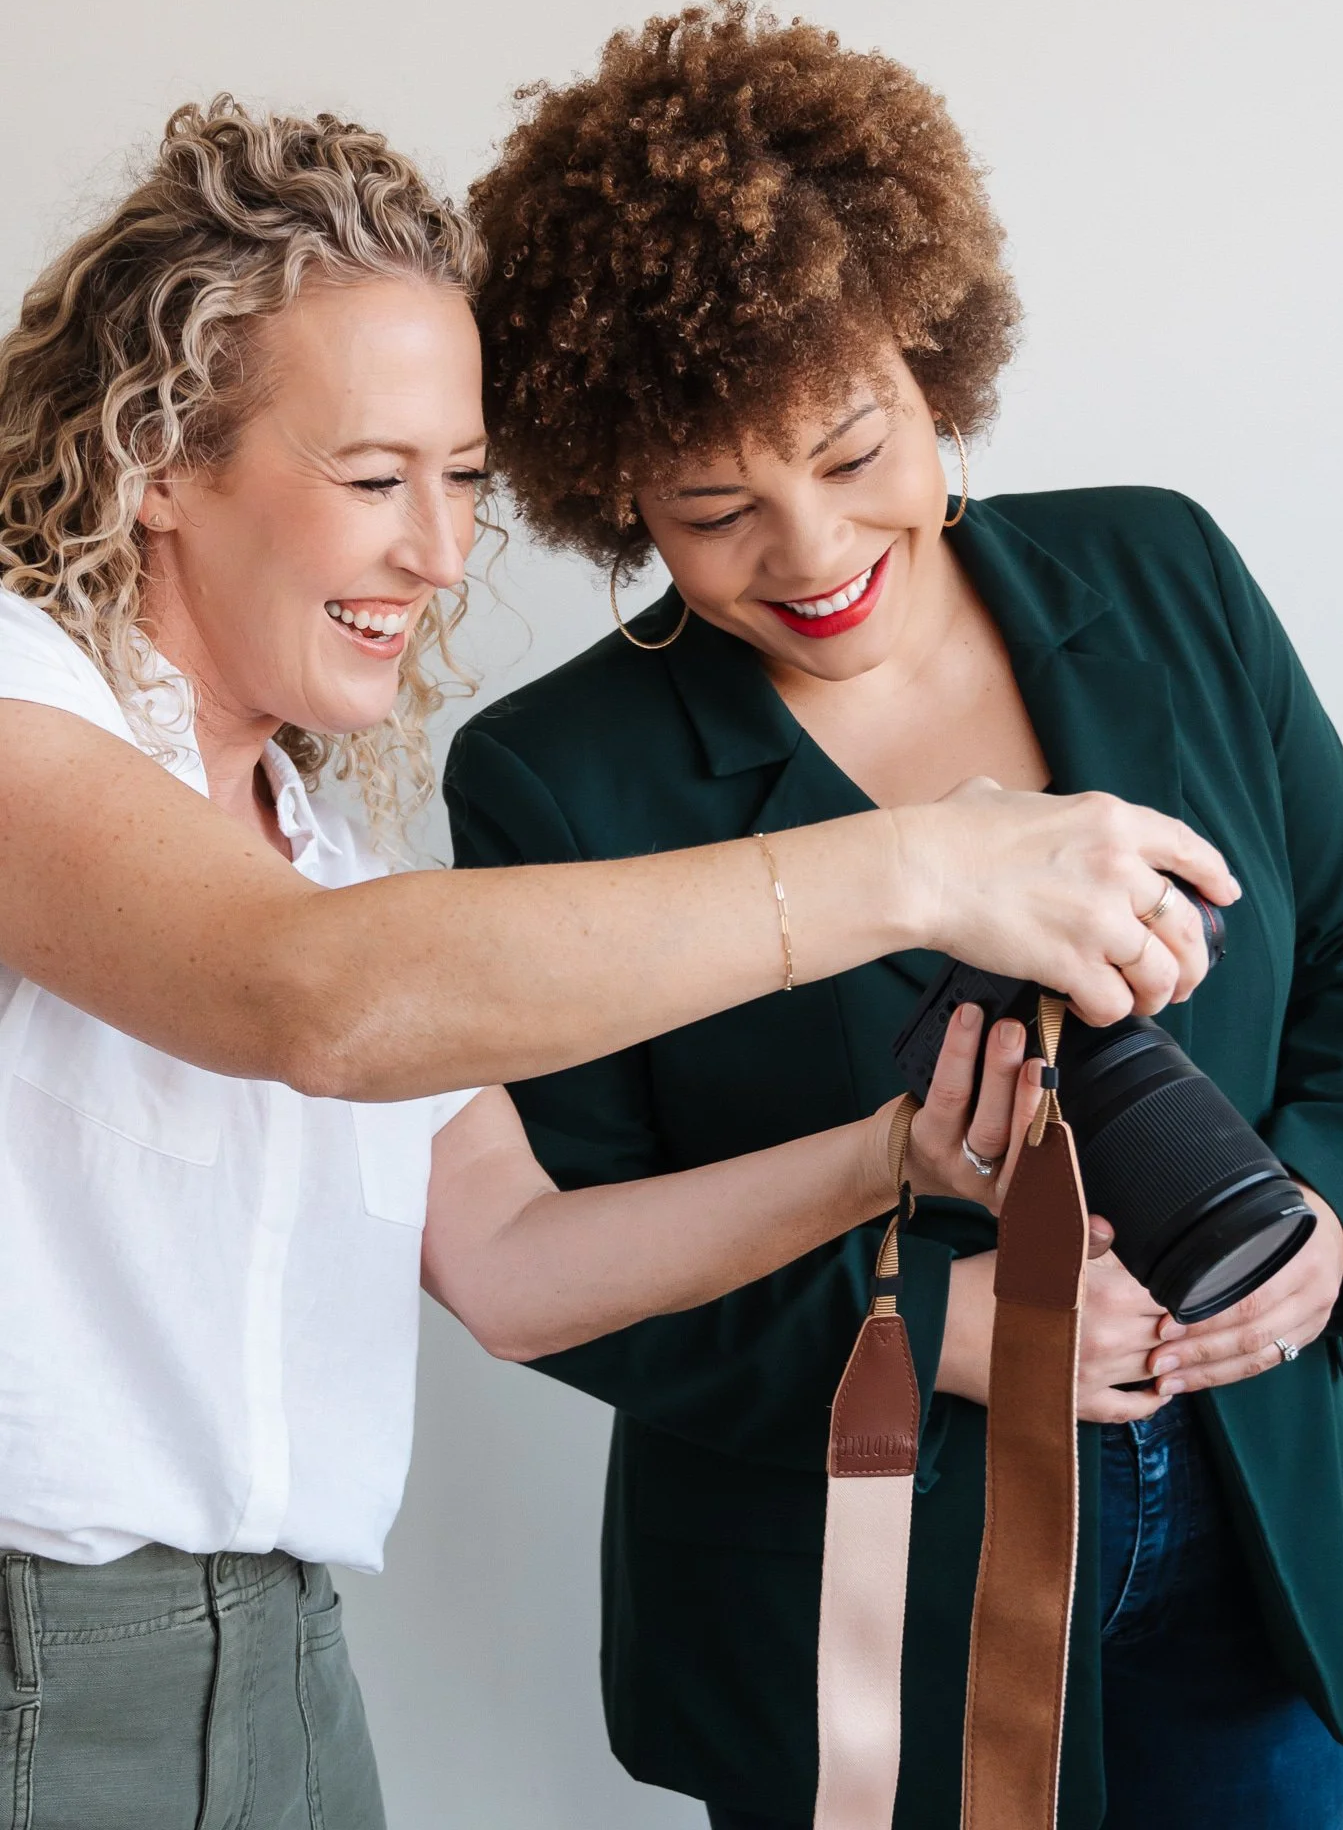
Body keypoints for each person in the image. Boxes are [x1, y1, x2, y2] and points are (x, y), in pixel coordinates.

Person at [0, 99, 1235, 1830]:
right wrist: (921, 867)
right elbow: (307, 997)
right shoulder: (21, 705)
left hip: (277, 1657)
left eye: (459, 483)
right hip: (39, 1657)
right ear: (152, 464)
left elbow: (512, 1259)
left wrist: (885, 1160)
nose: (437, 557)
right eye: (373, 481)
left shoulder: (325, 843)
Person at [449, 0, 1343, 1830]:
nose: (812, 557)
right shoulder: (549, 782)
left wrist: (1329, 1221)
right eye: (710, 508)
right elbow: (559, 1258)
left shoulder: (1163, 570)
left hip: (1254, 1542)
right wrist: (923, 1328)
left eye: (851, 452)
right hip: (853, 1610)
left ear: (929, 355)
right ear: (613, 498)